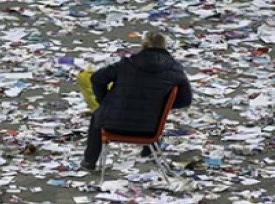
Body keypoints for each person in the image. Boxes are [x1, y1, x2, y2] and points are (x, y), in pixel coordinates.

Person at [80, 31, 192, 171]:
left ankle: (89, 161)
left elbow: (97, 78)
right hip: (150, 130)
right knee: (151, 114)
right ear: (165, 46)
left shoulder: (127, 63)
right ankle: (148, 151)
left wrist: (105, 101)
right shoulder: (175, 69)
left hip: (112, 125)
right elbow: (185, 99)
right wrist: (161, 107)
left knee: (98, 116)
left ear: (143, 45)